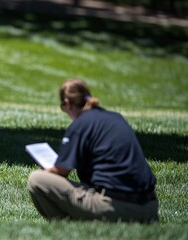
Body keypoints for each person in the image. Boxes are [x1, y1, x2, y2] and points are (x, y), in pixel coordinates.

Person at [27, 79, 159, 223]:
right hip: (150, 207)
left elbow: (61, 171)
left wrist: (46, 172)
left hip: (115, 207)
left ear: (67, 103)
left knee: (36, 180)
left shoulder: (80, 125)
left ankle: (66, 228)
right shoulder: (116, 117)